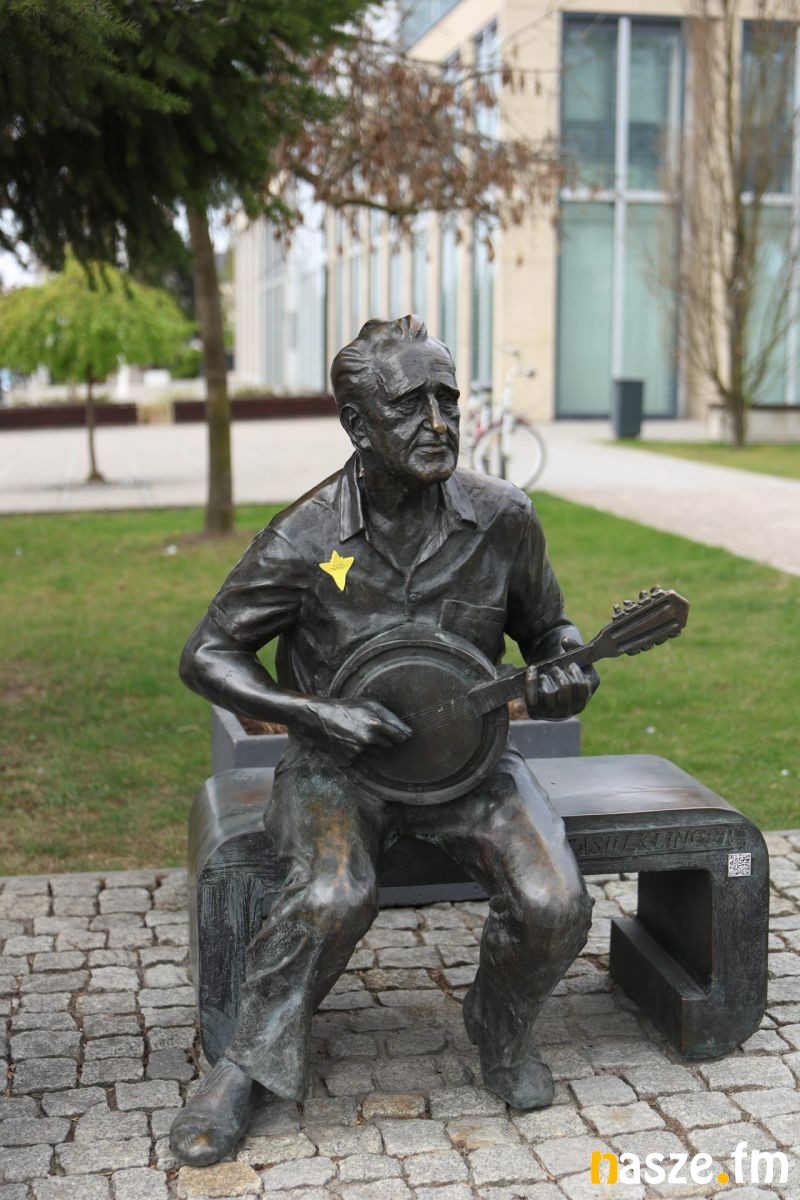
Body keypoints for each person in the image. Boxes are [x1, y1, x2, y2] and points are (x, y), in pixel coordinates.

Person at [170, 315, 598, 1166]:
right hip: (340, 769)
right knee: (334, 893)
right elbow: (207, 653)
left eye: (449, 400)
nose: (438, 423)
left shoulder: (503, 519)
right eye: (409, 405)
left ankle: (499, 1025)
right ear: (358, 425)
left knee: (553, 901)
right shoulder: (309, 537)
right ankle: (243, 1068)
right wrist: (310, 713)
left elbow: (552, 633)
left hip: (470, 769)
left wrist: (568, 671)